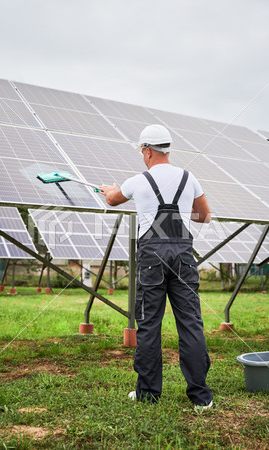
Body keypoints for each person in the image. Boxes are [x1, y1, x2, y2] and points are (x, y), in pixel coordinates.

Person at [98, 124, 213, 410]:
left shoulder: (138, 181)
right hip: (184, 259)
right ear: (167, 149)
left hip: (152, 261)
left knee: (149, 325)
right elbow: (205, 216)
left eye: (142, 151)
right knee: (191, 323)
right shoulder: (190, 178)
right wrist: (182, 209)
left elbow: (112, 200)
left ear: (147, 150)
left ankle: (148, 393)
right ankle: (201, 397)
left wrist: (111, 190)